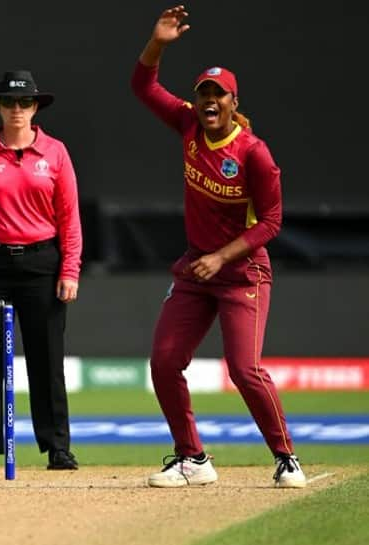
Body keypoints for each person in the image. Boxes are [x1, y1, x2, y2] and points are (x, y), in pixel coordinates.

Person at [132, 6, 305, 489]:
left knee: (244, 369)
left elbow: (271, 222)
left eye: (217, 95)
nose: (208, 102)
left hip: (242, 273)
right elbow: (143, 87)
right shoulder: (189, 125)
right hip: (195, 271)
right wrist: (158, 44)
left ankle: (286, 457)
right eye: (203, 94)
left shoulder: (254, 154)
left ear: (233, 102)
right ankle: (193, 459)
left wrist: (221, 257)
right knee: (164, 363)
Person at [0, 70, 83, 472]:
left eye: (24, 103)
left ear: (36, 106)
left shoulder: (56, 153)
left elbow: (70, 218)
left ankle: (57, 448)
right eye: (9, 103)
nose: (16, 110)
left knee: (47, 360)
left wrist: (70, 269)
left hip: (44, 263)